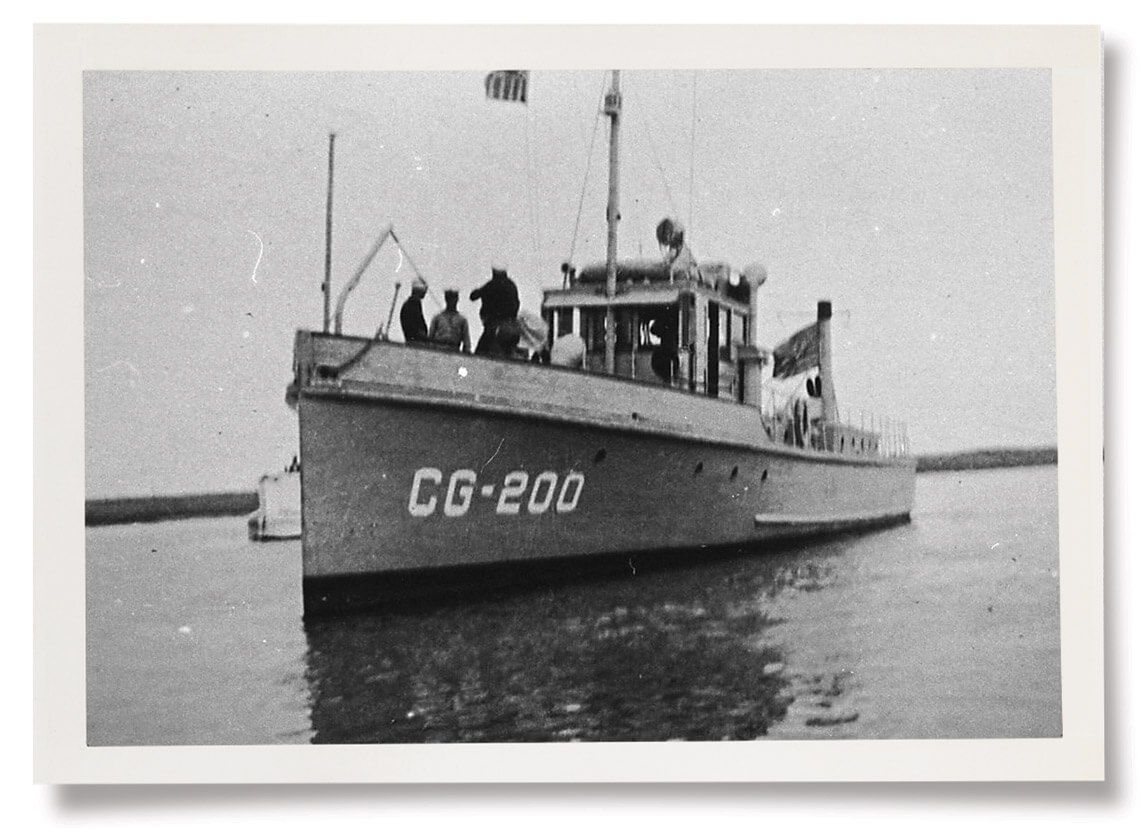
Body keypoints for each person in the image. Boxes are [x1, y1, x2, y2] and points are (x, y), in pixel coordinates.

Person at [470, 265, 520, 355]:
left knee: (481, 353)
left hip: (497, 327)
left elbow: (473, 296)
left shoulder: (492, 285)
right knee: (509, 354)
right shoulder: (512, 285)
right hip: (514, 327)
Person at [399, 280, 429, 344]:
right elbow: (414, 325)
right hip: (415, 341)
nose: (425, 293)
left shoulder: (410, 304)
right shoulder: (413, 304)